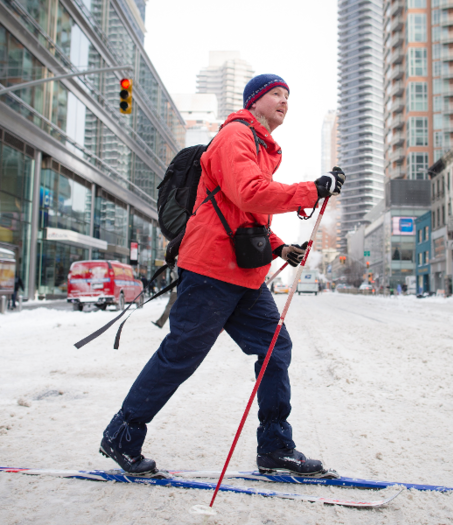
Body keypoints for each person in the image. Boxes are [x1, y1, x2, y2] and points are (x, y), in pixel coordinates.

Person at [99, 74, 345, 478]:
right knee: (181, 355)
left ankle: (276, 447)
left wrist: (281, 246)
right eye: (277, 95)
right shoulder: (235, 136)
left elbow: (247, 214)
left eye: (288, 96)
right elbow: (251, 193)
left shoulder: (262, 147)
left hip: (244, 275)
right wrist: (311, 190)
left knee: (274, 350)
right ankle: (122, 434)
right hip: (210, 271)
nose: (285, 102)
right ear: (255, 101)